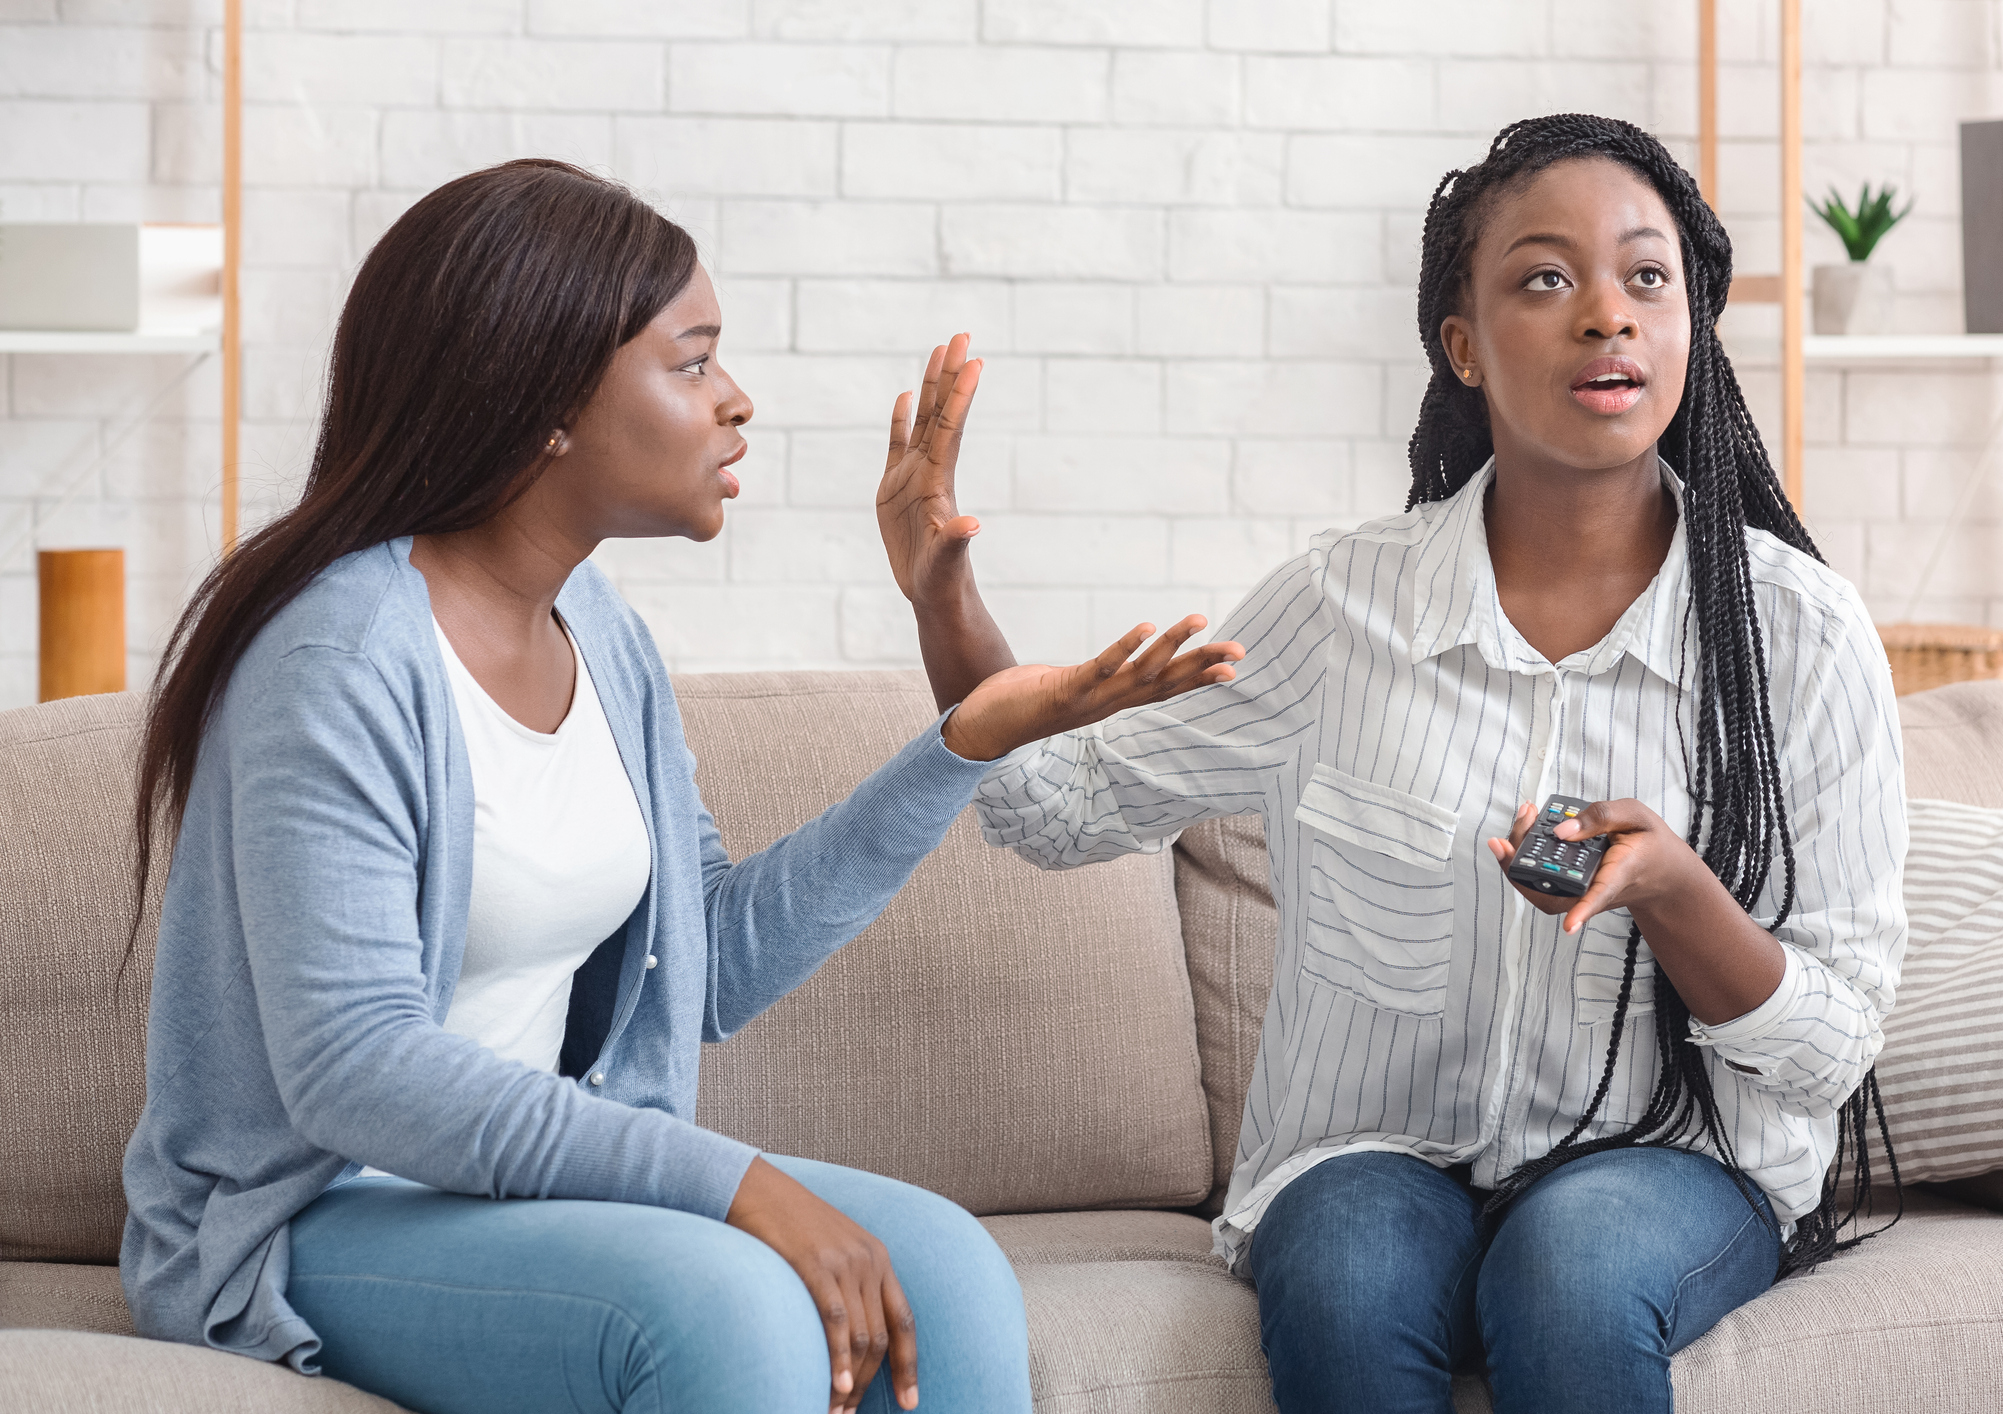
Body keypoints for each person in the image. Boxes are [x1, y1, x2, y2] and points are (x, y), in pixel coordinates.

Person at [119, 159, 1241, 1414]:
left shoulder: (598, 629)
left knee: (955, 1279)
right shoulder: (341, 656)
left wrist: (959, 746)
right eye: (694, 360)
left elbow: (710, 955)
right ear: (544, 397)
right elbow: (357, 1067)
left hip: (517, 1192)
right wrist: (735, 1182)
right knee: (733, 1314)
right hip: (322, 1212)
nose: (738, 401)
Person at [881, 115, 1907, 1414]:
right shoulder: (1337, 606)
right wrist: (941, 605)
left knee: (1571, 1275)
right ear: (1462, 343)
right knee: (1351, 1283)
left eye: (1647, 277)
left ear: (1692, 326)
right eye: (1546, 277)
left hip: (1672, 1152)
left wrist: (1672, 890)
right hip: (1369, 1152)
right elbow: (1056, 805)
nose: (1607, 314)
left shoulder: (1797, 636)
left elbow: (1832, 1042)